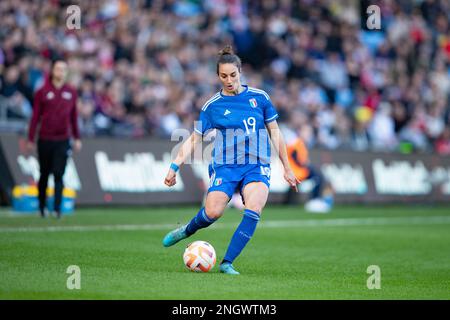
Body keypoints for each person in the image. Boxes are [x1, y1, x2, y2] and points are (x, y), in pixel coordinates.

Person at [162, 45, 299, 275]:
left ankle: (227, 262)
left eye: (233, 75)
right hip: (225, 165)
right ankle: (187, 230)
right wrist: (174, 167)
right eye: (224, 76)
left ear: (240, 72)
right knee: (213, 213)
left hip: (256, 164)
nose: (229, 80)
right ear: (218, 76)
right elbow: (193, 140)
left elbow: (276, 133)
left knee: (254, 207)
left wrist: (287, 168)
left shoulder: (260, 98)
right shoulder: (212, 106)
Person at [26, 59, 82, 218]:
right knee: (44, 174)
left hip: (63, 139)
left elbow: (74, 117)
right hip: (45, 138)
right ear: (52, 71)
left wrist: (77, 137)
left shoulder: (71, 92)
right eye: (58, 69)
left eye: (63, 69)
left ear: (66, 72)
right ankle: (42, 206)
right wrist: (31, 138)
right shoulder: (42, 92)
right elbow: (35, 117)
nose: (60, 72)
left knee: (59, 173)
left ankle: (57, 209)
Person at [285, 135, 334, 213]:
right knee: (318, 177)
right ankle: (314, 200)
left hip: (297, 170)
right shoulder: (296, 143)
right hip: (298, 171)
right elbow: (297, 159)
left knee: (318, 176)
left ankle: (314, 200)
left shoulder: (300, 144)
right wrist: (305, 164)